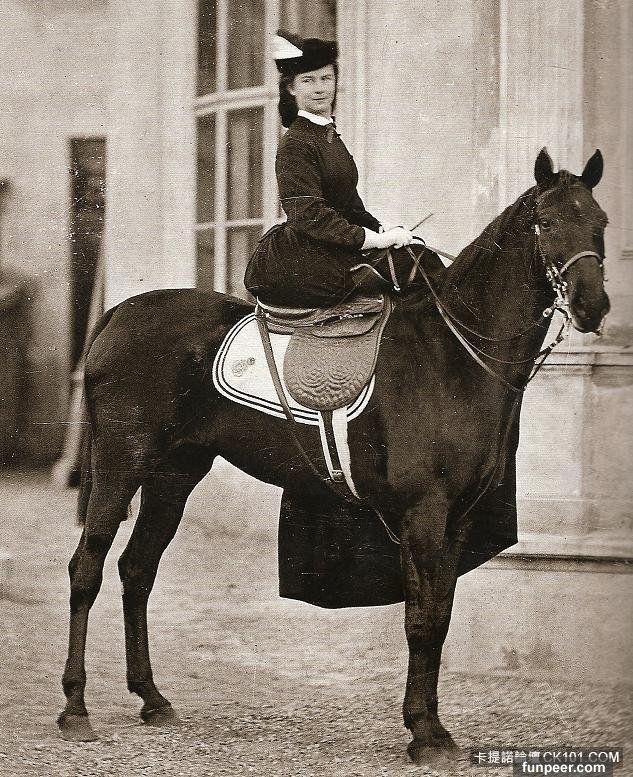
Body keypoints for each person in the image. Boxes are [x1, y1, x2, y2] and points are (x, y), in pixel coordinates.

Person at [244, 29, 414, 307]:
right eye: (308, 80)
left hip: (332, 247)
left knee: (418, 261)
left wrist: (382, 228)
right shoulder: (296, 142)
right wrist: (373, 240)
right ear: (291, 88)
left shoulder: (328, 135)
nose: (320, 88)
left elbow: (349, 205)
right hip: (305, 256)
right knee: (404, 280)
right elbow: (308, 214)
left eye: (326, 78)